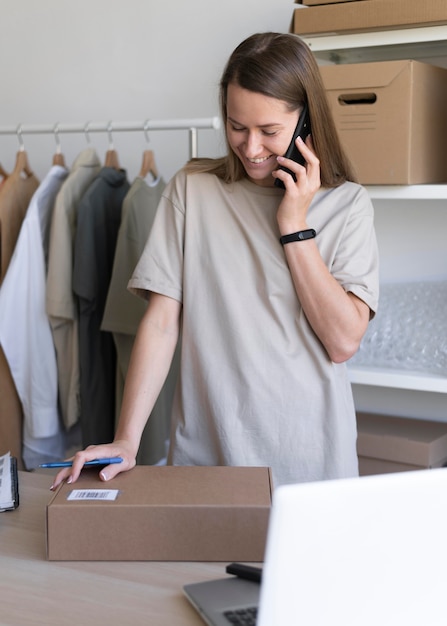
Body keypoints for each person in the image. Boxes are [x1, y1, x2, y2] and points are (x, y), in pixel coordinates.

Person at [52, 32, 379, 490]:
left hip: (311, 460)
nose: (250, 148)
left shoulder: (348, 205)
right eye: (236, 126)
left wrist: (295, 225)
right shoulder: (192, 190)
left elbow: (343, 340)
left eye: (269, 131)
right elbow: (162, 323)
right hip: (205, 456)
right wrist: (127, 440)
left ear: (306, 121)